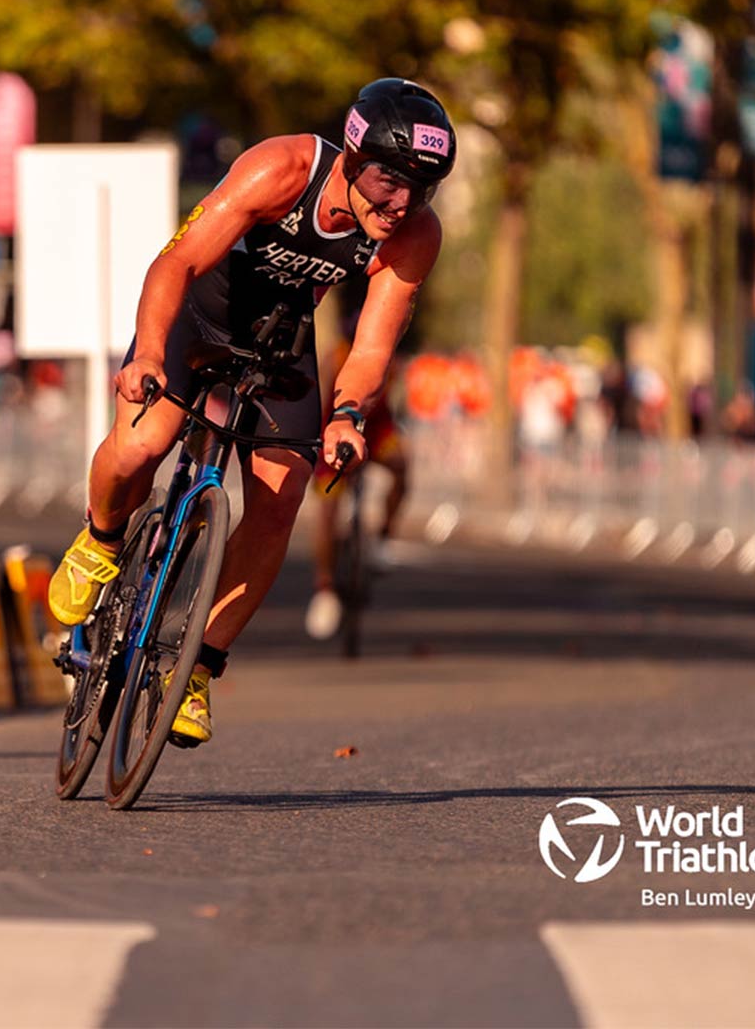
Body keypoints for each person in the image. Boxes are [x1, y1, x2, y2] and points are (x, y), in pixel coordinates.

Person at [46, 78, 455, 745]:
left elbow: (372, 344)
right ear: (351, 158)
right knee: (145, 444)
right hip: (195, 318)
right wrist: (149, 352)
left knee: (282, 494)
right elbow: (176, 263)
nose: (402, 201)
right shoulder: (283, 168)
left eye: (423, 186)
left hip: (279, 338)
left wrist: (347, 414)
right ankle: (98, 539)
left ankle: (198, 667)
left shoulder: (413, 234)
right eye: (388, 179)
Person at [304, 275, 412, 641]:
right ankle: (324, 588)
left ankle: (382, 537)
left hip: (376, 429)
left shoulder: (392, 360)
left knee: (402, 467)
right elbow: (319, 407)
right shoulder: (334, 356)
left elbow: (391, 411)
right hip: (331, 432)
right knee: (328, 509)